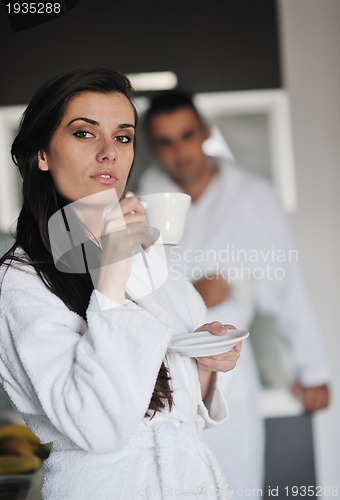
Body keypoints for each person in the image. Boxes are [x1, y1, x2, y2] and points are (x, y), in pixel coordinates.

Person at [0, 69, 244, 499]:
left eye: (124, 137)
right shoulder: (20, 279)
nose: (110, 152)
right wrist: (111, 277)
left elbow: (184, 404)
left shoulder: (146, 252)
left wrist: (209, 359)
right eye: (84, 134)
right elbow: (97, 425)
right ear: (42, 153)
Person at [138, 89, 331, 497]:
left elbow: (286, 286)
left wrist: (311, 371)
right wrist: (195, 291)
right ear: (154, 147)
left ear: (205, 132)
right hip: (160, 369)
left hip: (229, 367)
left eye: (187, 135)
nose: (180, 151)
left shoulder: (254, 198)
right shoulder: (144, 198)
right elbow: (133, 290)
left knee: (233, 484)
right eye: (166, 142)